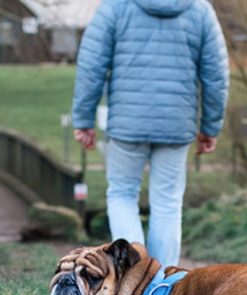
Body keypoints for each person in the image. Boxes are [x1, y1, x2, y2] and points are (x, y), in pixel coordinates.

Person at [72, 0, 229, 268]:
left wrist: (84, 119)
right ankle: (163, 285)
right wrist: (210, 126)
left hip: (127, 123)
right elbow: (216, 75)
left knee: (122, 194)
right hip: (176, 123)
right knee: (167, 203)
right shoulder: (199, 9)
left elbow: (91, 66)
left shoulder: (116, 6)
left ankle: (132, 273)